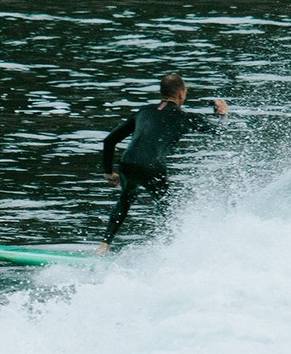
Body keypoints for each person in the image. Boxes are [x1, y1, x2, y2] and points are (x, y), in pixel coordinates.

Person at [98, 73, 228, 253]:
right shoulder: (184, 117)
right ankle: (168, 250)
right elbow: (219, 132)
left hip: (128, 163)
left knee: (125, 200)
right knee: (167, 207)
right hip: (153, 167)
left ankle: (104, 246)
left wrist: (107, 172)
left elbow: (109, 141)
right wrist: (222, 115)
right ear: (181, 94)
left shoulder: (143, 111)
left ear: (162, 93)